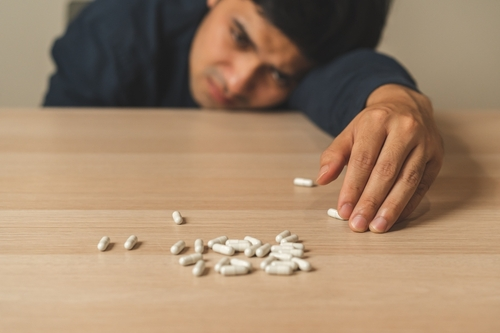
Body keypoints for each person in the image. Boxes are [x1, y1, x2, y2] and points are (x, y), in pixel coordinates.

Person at [44, 0, 444, 233]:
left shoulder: (310, 69)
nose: (236, 82)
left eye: (277, 74)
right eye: (239, 36)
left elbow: (345, 74)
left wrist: (397, 99)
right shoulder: (112, 34)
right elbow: (58, 152)